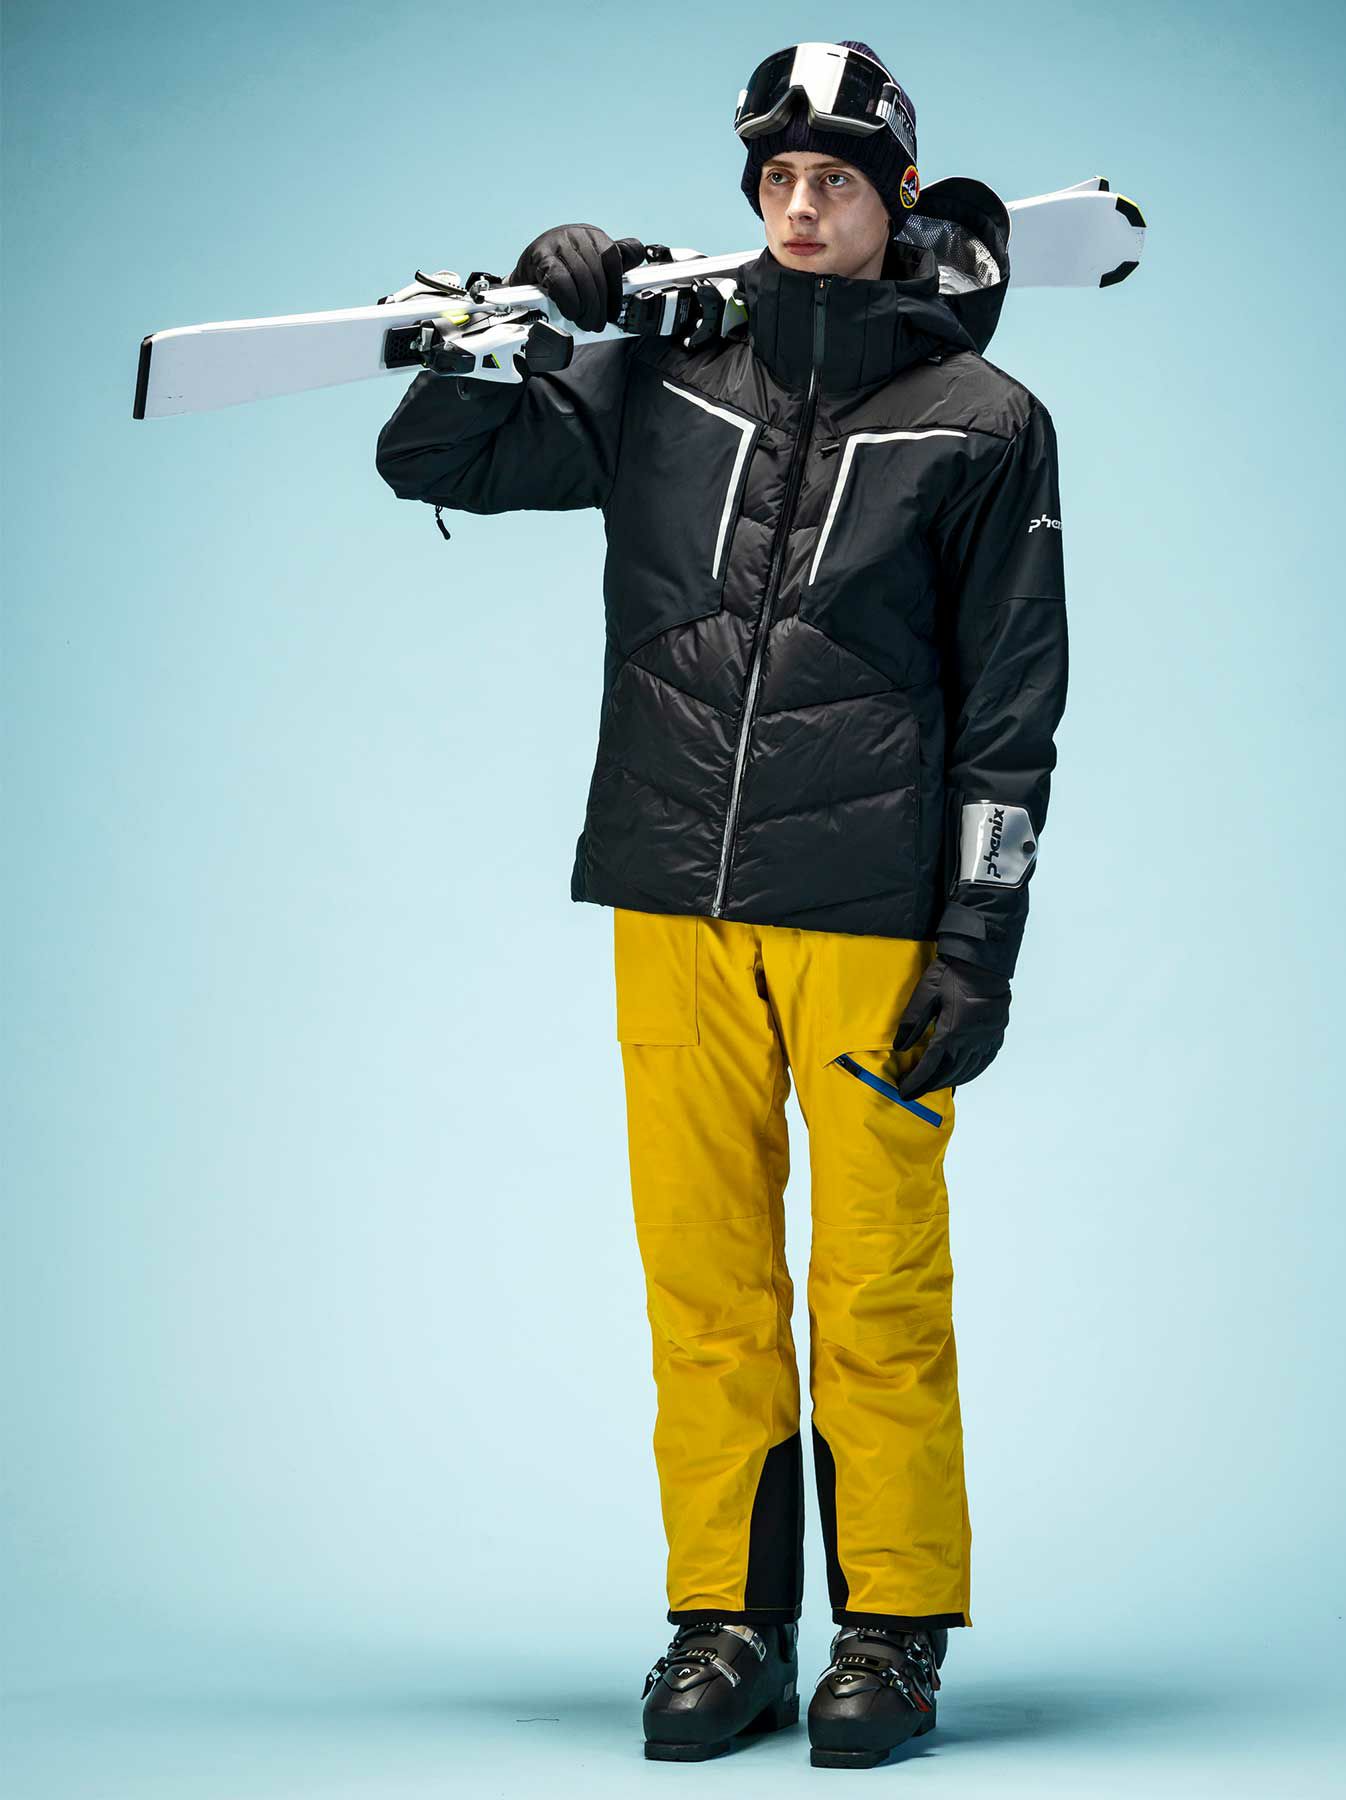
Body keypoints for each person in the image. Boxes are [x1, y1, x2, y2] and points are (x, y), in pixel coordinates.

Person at [375, 38, 1068, 1771]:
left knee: (877, 1283)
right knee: (702, 1281)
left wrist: (980, 941)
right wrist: (527, 323)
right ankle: (729, 1627)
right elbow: (436, 460)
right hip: (670, 890)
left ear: (897, 196)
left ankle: (891, 1633)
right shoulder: (667, 384)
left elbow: (1012, 708)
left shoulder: (984, 424)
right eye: (775, 180)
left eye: (834, 178)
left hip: (872, 915)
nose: (801, 206)